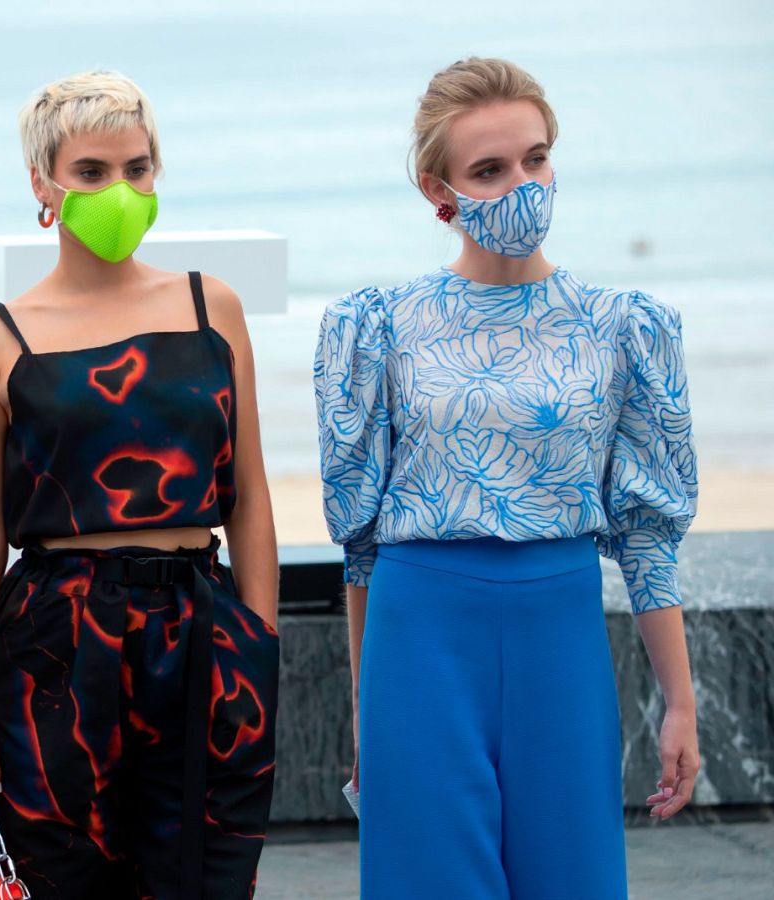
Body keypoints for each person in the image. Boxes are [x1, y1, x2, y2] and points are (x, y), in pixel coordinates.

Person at [315, 57, 701, 900]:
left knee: (577, 880)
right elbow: (361, 545)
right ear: (438, 191)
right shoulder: (377, 328)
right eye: (489, 169)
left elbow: (646, 534)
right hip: (418, 637)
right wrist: (362, 713)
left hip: (559, 631)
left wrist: (679, 702)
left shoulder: (623, 327)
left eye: (535, 158)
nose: (521, 183)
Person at [0, 70, 280, 900]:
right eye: (92, 172)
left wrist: (259, 643)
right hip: (54, 642)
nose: (120, 189)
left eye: (137, 168)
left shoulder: (213, 307)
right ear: (44, 186)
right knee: (58, 883)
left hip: (199, 627)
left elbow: (249, 496)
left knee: (204, 881)